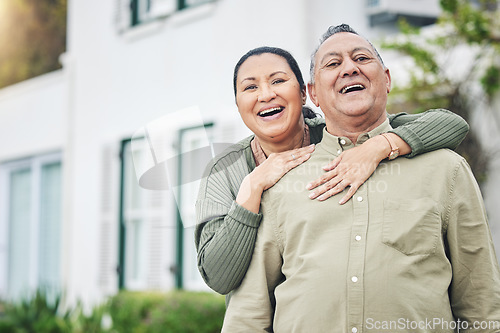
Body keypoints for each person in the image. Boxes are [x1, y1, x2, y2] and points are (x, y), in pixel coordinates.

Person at [221, 24, 500, 332]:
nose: (350, 68)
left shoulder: (448, 170)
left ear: (387, 80)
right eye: (333, 63)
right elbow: (247, 314)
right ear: (312, 93)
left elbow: (482, 303)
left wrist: (382, 146)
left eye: (362, 58)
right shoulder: (279, 179)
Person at [195, 46, 469, 296]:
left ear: (305, 93)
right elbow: (217, 277)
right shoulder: (224, 170)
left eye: (278, 81)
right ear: (238, 103)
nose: (266, 95)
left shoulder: (334, 133)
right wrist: (252, 188)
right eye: (250, 87)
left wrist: (376, 147)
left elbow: (451, 124)